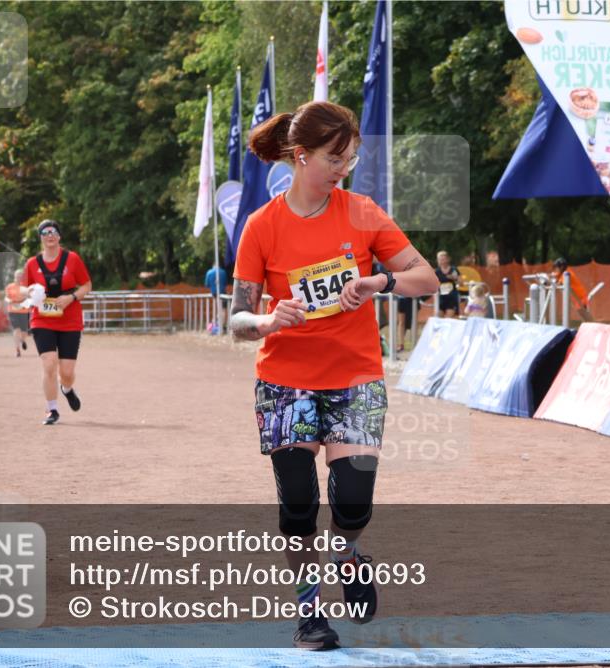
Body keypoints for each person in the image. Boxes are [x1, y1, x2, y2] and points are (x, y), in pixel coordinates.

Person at [230, 100, 438, 651]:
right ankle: (309, 614)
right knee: (298, 502)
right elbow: (237, 320)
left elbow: (426, 277)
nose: (343, 168)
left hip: (354, 378)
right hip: (285, 380)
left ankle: (348, 554)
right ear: (301, 157)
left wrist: (378, 285)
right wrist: (269, 320)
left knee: (351, 500)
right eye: (334, 158)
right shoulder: (261, 226)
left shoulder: (363, 213)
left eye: (350, 158)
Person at [19, 219, 92, 425]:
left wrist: (71, 298)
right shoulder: (32, 263)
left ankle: (67, 388)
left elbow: (87, 285)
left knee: (66, 373)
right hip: (42, 319)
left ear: (59, 236)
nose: (50, 235)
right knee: (49, 364)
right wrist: (30, 291)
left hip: (70, 320)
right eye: (45, 232)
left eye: (53, 232)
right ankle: (52, 410)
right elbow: (22, 289)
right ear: (41, 238)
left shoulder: (72, 259)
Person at [5, 269, 31, 357]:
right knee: (16, 329)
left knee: (24, 331)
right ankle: (17, 350)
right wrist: (9, 300)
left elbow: (29, 297)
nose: (19, 277)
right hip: (12, 310)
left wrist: (27, 298)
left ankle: (23, 341)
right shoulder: (9, 287)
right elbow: (6, 297)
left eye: (21, 276)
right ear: (15, 276)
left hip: (23, 310)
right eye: (18, 275)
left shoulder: (25, 287)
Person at [434, 250, 461, 318]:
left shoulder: (453, 269)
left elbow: (461, 283)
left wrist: (454, 278)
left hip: (451, 297)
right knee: (439, 319)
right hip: (441, 297)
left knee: (449, 319)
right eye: (440, 259)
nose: (442, 261)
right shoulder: (437, 271)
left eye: (444, 259)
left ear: (447, 259)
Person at [204, 264, 229, 333]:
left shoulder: (209, 272)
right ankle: (221, 325)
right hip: (223, 293)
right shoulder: (223, 272)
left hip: (214, 293)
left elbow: (207, 284)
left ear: (213, 266)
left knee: (217, 309)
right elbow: (225, 283)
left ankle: (215, 325)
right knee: (223, 309)